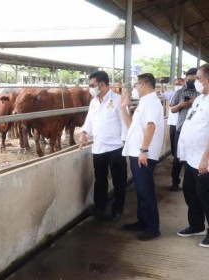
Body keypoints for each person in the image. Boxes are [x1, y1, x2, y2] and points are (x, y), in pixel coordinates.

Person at [120, 73, 164, 241]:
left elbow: (151, 126)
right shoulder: (144, 102)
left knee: (146, 191)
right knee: (140, 190)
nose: (135, 87)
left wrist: (144, 150)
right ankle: (142, 220)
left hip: (143, 154)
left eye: (136, 84)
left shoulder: (152, 102)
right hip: (137, 152)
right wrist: (123, 108)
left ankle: (153, 227)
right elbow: (132, 126)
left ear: (144, 84)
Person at [79, 70, 127, 222]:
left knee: (119, 180)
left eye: (92, 85)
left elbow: (125, 123)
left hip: (116, 147)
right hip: (99, 146)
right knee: (100, 178)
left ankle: (117, 209)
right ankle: (100, 205)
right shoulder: (94, 102)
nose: (90, 88)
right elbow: (89, 120)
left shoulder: (118, 100)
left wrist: (125, 143)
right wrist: (84, 132)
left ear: (102, 84)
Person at [176, 63, 209, 248]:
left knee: (205, 194)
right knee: (190, 191)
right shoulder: (200, 99)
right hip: (190, 157)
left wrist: (206, 159)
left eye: (198, 78)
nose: (195, 81)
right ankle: (196, 225)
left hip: (204, 159)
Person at [169, 68, 201, 191]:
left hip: (196, 131)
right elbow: (172, 109)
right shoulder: (179, 92)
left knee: (193, 156)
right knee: (177, 157)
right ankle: (175, 181)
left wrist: (195, 103)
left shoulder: (202, 95)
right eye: (189, 80)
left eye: (194, 80)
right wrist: (181, 105)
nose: (191, 82)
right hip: (180, 129)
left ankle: (193, 182)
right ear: (185, 79)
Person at [160, 78, 185, 191]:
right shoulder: (174, 94)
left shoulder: (192, 95)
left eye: (180, 83)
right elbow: (162, 92)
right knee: (176, 154)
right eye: (176, 83)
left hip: (183, 126)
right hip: (174, 125)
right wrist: (162, 84)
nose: (178, 85)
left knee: (179, 153)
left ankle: (178, 179)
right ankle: (175, 180)